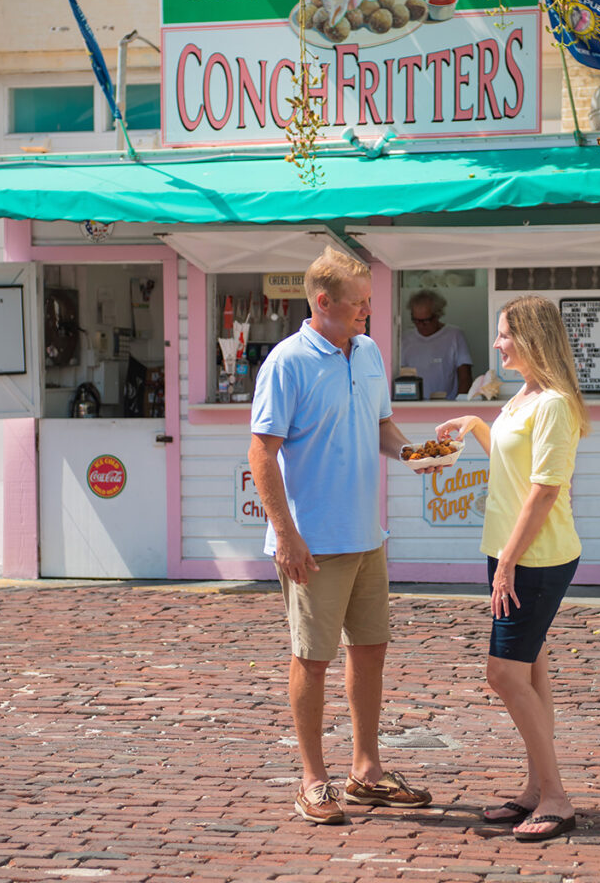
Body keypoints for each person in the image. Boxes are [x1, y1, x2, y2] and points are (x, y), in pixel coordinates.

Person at [248, 246, 431, 826]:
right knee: (312, 657)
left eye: (370, 303)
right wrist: (286, 534)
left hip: (366, 534)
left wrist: (410, 452)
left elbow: (380, 424)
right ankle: (312, 780)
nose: (369, 314)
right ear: (322, 302)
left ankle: (366, 772)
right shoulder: (286, 363)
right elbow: (261, 452)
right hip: (312, 543)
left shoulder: (370, 351)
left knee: (371, 650)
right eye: (359, 304)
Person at [435, 295, 589, 843]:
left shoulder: (553, 403)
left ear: (530, 339)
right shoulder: (523, 397)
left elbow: (545, 491)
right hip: (511, 552)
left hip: (534, 558)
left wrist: (507, 564)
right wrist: (476, 424)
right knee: (530, 671)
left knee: (502, 674)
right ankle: (534, 789)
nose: (497, 343)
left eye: (503, 334)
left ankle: (556, 797)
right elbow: (511, 460)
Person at [401, 289, 473, 399]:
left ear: (437, 315)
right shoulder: (405, 339)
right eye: (416, 320)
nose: (420, 325)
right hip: (413, 404)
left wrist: (459, 403)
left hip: (447, 403)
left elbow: (465, 377)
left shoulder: (454, 335)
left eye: (426, 321)